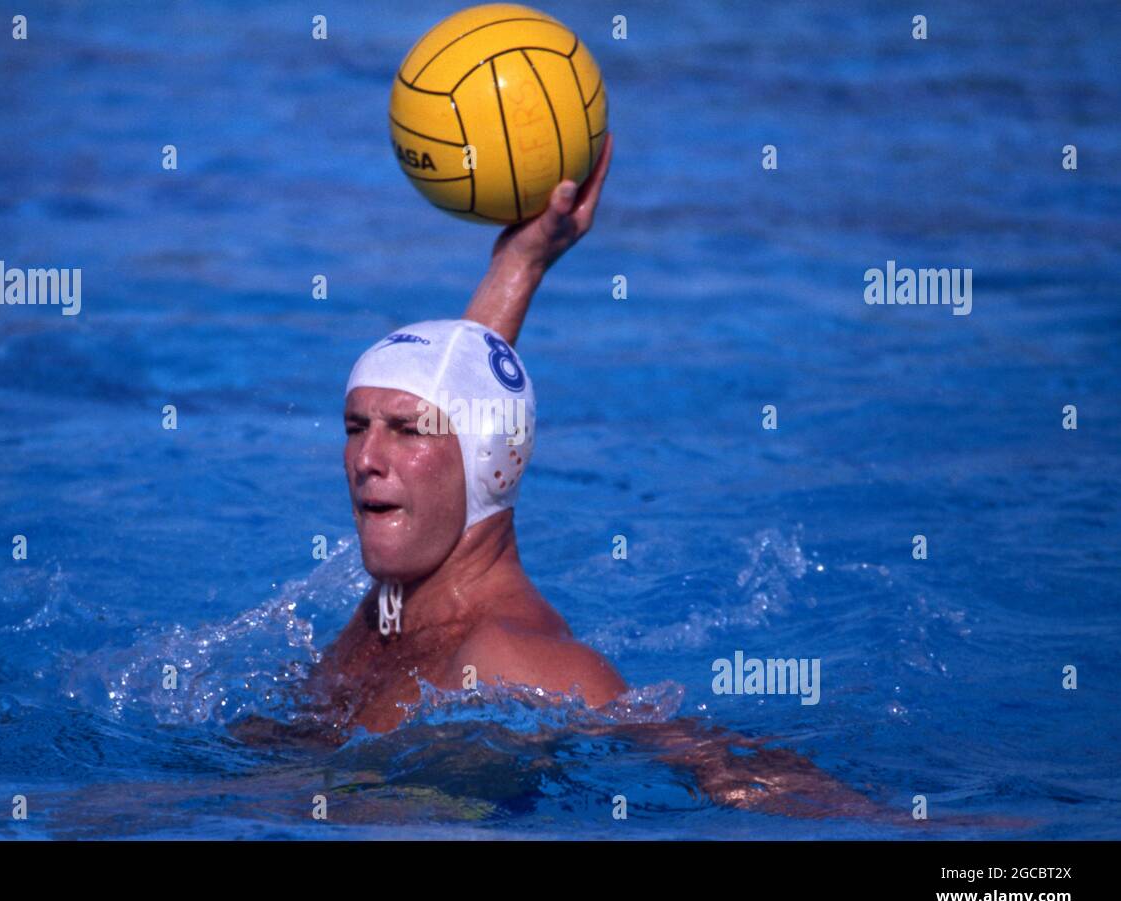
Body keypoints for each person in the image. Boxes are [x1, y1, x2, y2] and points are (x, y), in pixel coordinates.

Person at [233, 134, 884, 819]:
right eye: (354, 426)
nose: (366, 458)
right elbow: (461, 391)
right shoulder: (397, 602)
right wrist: (522, 260)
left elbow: (713, 763)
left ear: (485, 461)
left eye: (405, 430)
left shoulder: (516, 655)